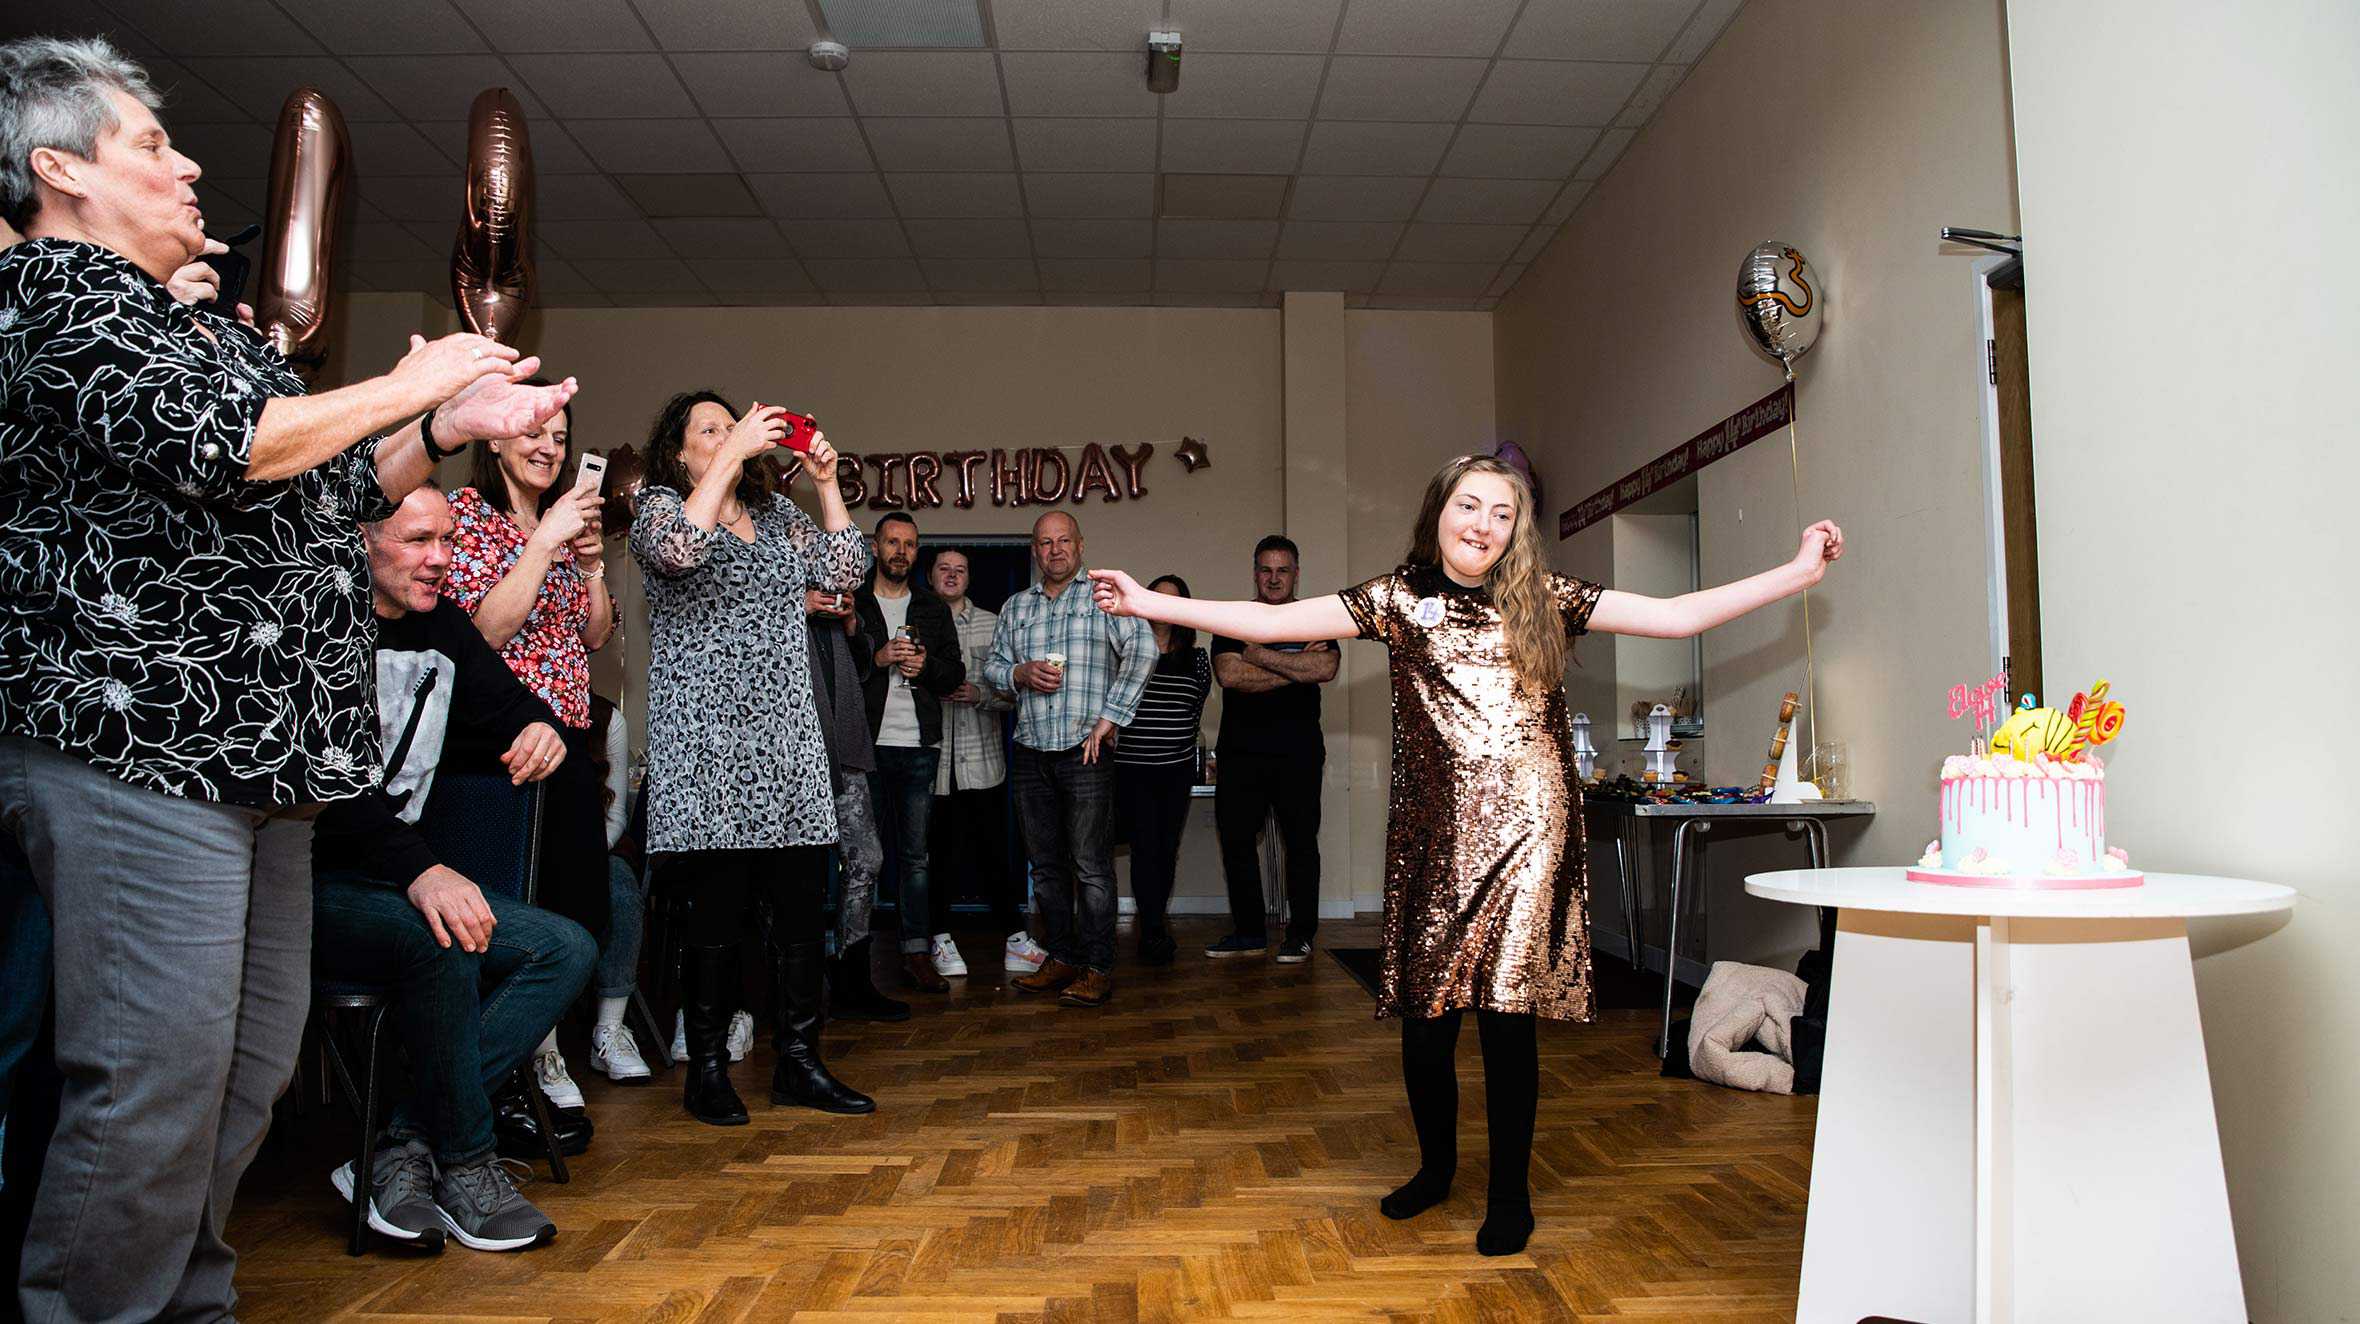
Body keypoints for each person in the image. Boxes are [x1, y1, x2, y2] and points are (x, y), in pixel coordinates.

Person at [0, 37, 573, 1320]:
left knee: (242, 1073)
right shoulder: (55, 293)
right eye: (151, 141)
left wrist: (437, 430)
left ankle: (187, 1302)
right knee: (151, 1080)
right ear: (59, 170)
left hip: (263, 770)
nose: (187, 157)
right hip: (143, 749)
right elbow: (233, 450)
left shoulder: (193, 327)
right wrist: (406, 380)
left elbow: (315, 495)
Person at [1090, 454, 1846, 1257]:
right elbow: (1273, 622)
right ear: (1439, 511)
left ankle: (1510, 1194)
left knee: (1506, 1023)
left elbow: (1677, 616)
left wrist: (1797, 572)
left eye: (1502, 512)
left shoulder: (1548, 600)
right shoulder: (1396, 599)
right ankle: (1436, 1169)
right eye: (1469, 506)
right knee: (1426, 1024)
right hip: (1433, 840)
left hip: (1529, 832)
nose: (1483, 524)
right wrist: (1145, 601)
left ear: (1517, 529)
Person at [312, 483, 594, 1254]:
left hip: (401, 878)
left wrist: (542, 730)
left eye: (448, 541)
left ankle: (400, 1146)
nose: (441, 559)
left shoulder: (443, 626)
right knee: (442, 935)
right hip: (310, 882)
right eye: (416, 541)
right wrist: (422, 869)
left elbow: (510, 704)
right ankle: (468, 1165)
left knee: (563, 948)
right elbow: (328, 785)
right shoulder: (321, 623)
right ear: (362, 536)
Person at [627, 391, 874, 1125]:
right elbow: (678, 553)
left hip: (789, 740)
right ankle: (706, 1070)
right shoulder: (658, 510)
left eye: (731, 427)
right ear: (679, 450)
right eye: (712, 430)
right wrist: (735, 454)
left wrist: (826, 482)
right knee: (718, 918)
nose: (729, 437)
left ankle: (798, 1062)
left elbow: (847, 571)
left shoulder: (776, 517)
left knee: (802, 913)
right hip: (708, 750)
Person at [442, 397, 617, 1124]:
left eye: (561, 437)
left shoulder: (560, 526)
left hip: (569, 744)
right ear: (495, 436)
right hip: (498, 750)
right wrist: (543, 542)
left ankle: (536, 1044)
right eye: (534, 431)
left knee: (577, 913)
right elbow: (480, 630)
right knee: (512, 917)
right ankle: (507, 1070)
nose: (549, 446)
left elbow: (596, 635)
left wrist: (593, 564)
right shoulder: (465, 514)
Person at [983, 512, 1154, 1008]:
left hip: (1086, 749)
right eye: (1044, 543)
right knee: (1046, 867)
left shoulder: (1103, 597)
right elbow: (992, 669)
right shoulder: (1016, 607)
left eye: (1063, 541)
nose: (1054, 550)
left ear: (1080, 545)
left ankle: (1097, 967)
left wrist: (1111, 718)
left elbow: (1143, 651)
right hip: (1032, 751)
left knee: (1092, 868)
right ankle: (1060, 957)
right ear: (1034, 551)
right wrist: (1019, 672)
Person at [1206, 535, 1338, 964]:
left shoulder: (1316, 618)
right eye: (1266, 569)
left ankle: (1300, 935)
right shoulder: (1233, 620)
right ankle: (1249, 933)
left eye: (1283, 570)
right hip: (1241, 754)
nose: (1274, 578)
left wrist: (1257, 655)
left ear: (1296, 574)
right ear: (1255, 572)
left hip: (1297, 754)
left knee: (1301, 844)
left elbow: (1326, 667)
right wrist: (1297, 665)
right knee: (1237, 841)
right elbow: (1230, 676)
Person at [850, 513, 965, 992]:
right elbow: (830, 671)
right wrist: (876, 660)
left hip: (918, 747)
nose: (901, 551)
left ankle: (917, 954)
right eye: (892, 542)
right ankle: (852, 960)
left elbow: (955, 674)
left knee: (916, 858)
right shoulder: (852, 602)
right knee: (860, 860)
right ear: (876, 547)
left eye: (910, 544)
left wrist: (927, 665)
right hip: (864, 748)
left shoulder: (933, 608)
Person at [926, 549, 1044, 976]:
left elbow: (1015, 691)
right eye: (944, 569)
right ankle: (937, 940)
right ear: (932, 575)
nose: (952, 576)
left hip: (983, 762)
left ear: (969, 578)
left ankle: (1014, 939)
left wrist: (980, 695)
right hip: (931, 764)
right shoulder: (917, 621)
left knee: (995, 853)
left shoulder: (995, 624)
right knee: (935, 857)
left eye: (960, 570)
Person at [804, 584, 909, 1021]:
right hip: (797, 753)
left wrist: (849, 624)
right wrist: (798, 605)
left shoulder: (844, 611)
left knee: (866, 858)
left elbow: (866, 666)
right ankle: (796, 986)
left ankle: (852, 976)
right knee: (798, 872)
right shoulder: (775, 599)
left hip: (846, 747)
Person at [1112, 576, 1212, 966]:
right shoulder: (1125, 650)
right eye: (1158, 598)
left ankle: (1155, 925)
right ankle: (1152, 931)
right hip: (1131, 769)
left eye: (1174, 601)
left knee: (1165, 850)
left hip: (1174, 772)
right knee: (1142, 848)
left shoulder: (1197, 658)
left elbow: (1194, 710)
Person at [585, 694, 657, 1081]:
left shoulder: (605, 718)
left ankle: (609, 1029)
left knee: (620, 889)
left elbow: (615, 816)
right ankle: (544, 1051)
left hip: (600, 846)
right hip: (539, 851)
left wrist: (589, 854)